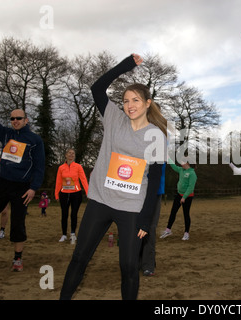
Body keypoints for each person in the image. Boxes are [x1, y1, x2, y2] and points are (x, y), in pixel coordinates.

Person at [59, 53, 167, 300]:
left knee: (129, 268)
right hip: (100, 200)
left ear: (148, 103)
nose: (130, 105)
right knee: (79, 258)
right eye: (126, 100)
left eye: (136, 100)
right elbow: (97, 87)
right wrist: (127, 65)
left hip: (131, 207)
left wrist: (145, 220)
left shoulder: (156, 136)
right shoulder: (114, 117)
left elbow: (155, 182)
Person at [0, 106, 45, 272]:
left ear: (25, 120)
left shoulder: (35, 140)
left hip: (22, 187)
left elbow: (39, 167)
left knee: (18, 223)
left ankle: (17, 259)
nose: (15, 121)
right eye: (12, 118)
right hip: (2, 183)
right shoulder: (6, 134)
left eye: (18, 118)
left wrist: (33, 188)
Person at [54, 148, 89, 244]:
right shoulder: (61, 168)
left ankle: (73, 234)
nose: (71, 154)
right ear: (66, 155)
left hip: (76, 194)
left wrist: (88, 192)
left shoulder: (78, 167)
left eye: (73, 153)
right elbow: (58, 181)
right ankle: (64, 235)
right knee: (64, 214)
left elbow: (83, 180)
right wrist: (56, 194)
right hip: (64, 194)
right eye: (69, 153)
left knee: (74, 214)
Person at [160, 160, 197, 241]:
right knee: (173, 212)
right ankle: (168, 230)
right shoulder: (181, 170)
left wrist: (184, 197)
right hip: (179, 195)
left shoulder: (192, 174)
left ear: (187, 163)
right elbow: (174, 166)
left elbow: (191, 188)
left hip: (187, 197)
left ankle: (186, 233)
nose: (181, 163)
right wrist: (168, 159)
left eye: (183, 161)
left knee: (186, 214)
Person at [141, 162, 166, 276]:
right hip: (138, 190)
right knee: (135, 226)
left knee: (150, 228)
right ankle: (137, 260)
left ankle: (148, 264)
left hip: (154, 192)